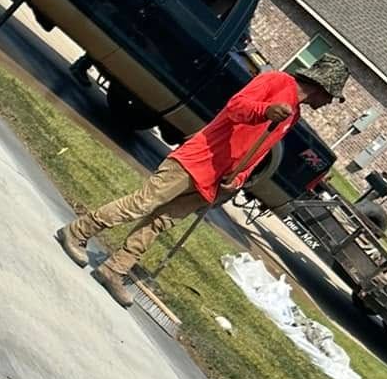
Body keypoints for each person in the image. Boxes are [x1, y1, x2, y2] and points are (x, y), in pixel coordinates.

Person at [56, 53, 347, 305]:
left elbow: (258, 150)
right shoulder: (276, 82)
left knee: (160, 222)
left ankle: (115, 269)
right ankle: (77, 231)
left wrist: (239, 179)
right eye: (331, 96)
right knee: (142, 204)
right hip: (197, 160)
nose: (330, 102)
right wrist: (264, 111)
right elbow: (235, 107)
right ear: (322, 86)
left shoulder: (293, 115)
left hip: (217, 179)